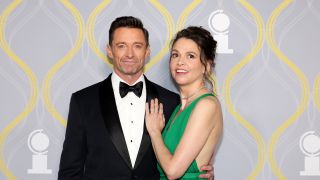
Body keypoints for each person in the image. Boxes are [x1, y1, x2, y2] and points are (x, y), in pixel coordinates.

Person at [58, 16, 213, 180]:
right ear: (110, 50)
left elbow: (180, 157)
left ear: (147, 51)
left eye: (137, 46)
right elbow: (70, 170)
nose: (130, 54)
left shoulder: (171, 101)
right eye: (121, 46)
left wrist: (197, 172)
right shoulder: (83, 101)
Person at [145, 26, 223, 179]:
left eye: (191, 56)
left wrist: (154, 132)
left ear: (206, 66)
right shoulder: (179, 108)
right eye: (175, 55)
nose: (180, 62)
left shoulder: (206, 105)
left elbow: (173, 171)